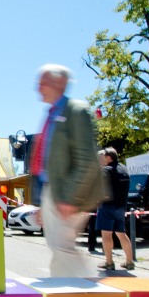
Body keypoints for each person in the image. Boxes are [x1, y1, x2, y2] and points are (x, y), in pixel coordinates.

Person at [29, 64, 103, 277]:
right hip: (53, 191)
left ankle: (84, 296)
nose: (38, 87)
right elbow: (45, 162)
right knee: (60, 249)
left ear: (59, 83)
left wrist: (71, 197)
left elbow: (87, 159)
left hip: (66, 193)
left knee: (62, 249)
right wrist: (42, 201)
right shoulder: (53, 113)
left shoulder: (76, 111)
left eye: (43, 82)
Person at [96, 147, 135, 270]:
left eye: (102, 157)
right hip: (121, 206)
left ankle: (109, 262)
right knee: (121, 234)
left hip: (108, 206)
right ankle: (129, 262)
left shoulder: (106, 170)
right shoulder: (124, 169)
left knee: (106, 234)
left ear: (109, 157)